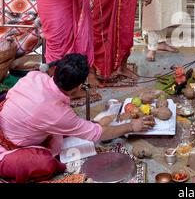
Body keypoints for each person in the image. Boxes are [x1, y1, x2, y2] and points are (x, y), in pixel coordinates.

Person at [0, 54, 154, 183]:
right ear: (79, 87)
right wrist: (131, 127)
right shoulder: (59, 114)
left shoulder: (36, 76)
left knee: (71, 128)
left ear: (56, 71)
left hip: (10, 121)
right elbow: (97, 134)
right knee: (46, 164)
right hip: (8, 148)